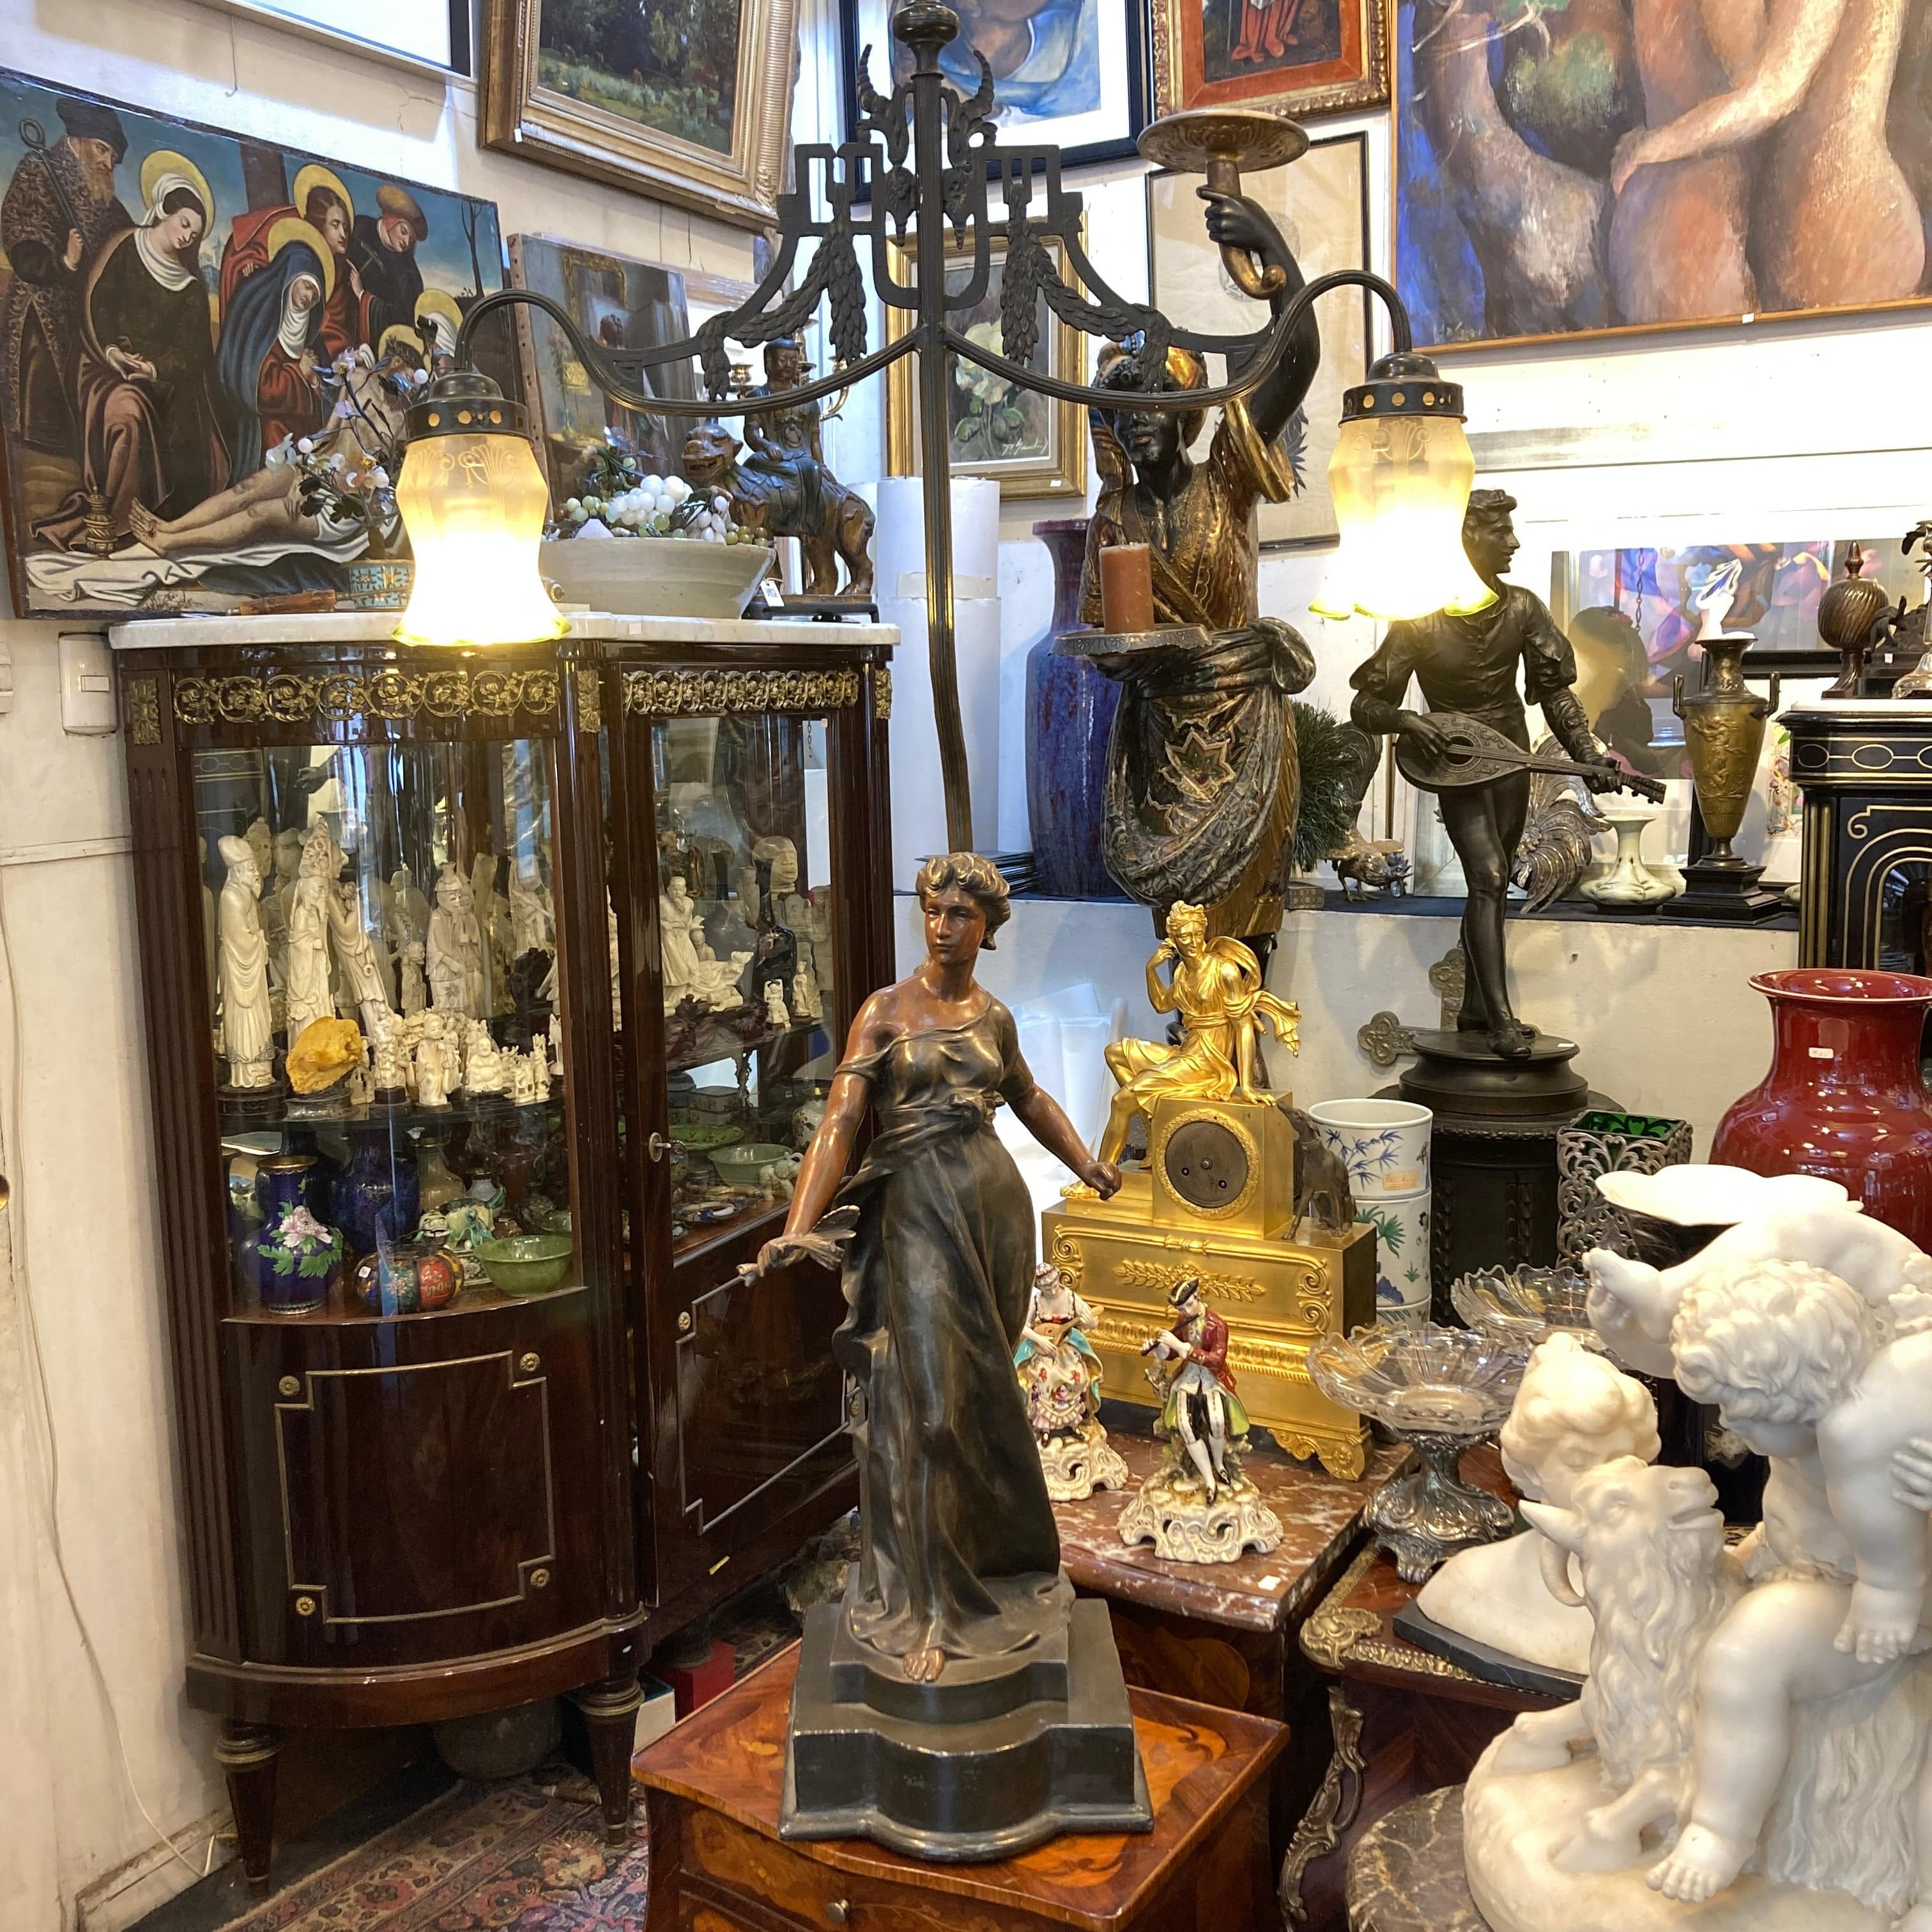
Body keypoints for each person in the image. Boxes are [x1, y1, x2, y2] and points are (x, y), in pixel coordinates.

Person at [740, 852, 1120, 1686]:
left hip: (994, 1212)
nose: (943, 928)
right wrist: (798, 1227)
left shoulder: (995, 1018)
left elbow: (1030, 1099)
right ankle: (936, 1604)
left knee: (982, 1402)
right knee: (933, 1409)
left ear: (989, 928)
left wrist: (1087, 1163)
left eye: (961, 916)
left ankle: (996, 1563)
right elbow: (840, 1124)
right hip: (914, 1217)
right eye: (934, 911)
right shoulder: (884, 1012)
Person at [1076, 187, 1320, 953]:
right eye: (1124, 407)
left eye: (1157, 401)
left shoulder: (1228, 479)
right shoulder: (1114, 517)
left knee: (1247, 945)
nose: (1140, 420)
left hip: (1245, 731)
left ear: (1188, 411)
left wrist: (1271, 249)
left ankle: (1241, 1033)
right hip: (1163, 751)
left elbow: (1299, 357)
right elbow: (1099, 631)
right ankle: (1194, 1033)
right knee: (1181, 943)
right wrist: (1128, 658)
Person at [1349, 489, 1621, 1058]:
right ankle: (1500, 1020)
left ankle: (1475, 1006)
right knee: (1490, 876)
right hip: (1456, 764)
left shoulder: (1522, 608)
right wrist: (1408, 721)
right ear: (1465, 537)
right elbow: (1366, 704)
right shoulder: (1420, 619)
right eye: (1500, 531)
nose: (1513, 542)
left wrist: (1587, 753)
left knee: (1493, 884)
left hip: (1511, 757)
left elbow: (1555, 692)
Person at [36, 154, 227, 553]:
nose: (188, 236)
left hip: (162, 385)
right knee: (128, 413)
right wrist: (112, 353)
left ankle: (139, 521)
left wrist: (153, 369)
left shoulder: (192, 289)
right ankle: (116, 524)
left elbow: (189, 353)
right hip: (104, 367)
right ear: (164, 211)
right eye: (184, 223)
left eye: (195, 233)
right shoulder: (126, 246)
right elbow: (100, 305)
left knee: (158, 423)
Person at [1097, 900, 1300, 1165]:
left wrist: (1248, 1086)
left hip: (1207, 1063)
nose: (1193, 942)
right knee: (1115, 1053)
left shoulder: (1224, 970)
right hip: (1188, 1052)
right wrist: (1151, 969)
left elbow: (1244, 1028)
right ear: (1173, 940)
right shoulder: (1182, 972)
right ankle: (1152, 1124)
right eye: (1185, 937)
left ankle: (1099, 1177)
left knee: (1121, 1101)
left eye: (1197, 935)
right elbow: (1162, 1004)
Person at [1, 95, 132, 454]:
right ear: (78, 139)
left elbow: (125, 241)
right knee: (45, 423)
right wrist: (64, 261)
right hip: (42, 308)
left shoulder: (105, 197)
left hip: (84, 314)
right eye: (102, 149)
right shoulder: (38, 170)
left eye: (113, 158)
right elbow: (21, 239)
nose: (107, 162)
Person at [215, 218, 331, 475]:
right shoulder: (262, 319)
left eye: (315, 294)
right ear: (291, 278)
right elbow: (261, 389)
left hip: (301, 434)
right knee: (276, 435)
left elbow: (324, 398)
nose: (309, 297)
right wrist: (300, 372)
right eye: (307, 286)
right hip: (262, 428)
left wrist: (314, 382)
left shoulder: (312, 337)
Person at [1140, 1278, 1247, 1503]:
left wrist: (1183, 1348)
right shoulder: (1183, 1320)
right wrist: (1160, 1349)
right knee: (1186, 1425)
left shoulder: (1217, 1324)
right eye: (1181, 1309)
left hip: (1211, 1379)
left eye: (1189, 1305)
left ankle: (1219, 1464)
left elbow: (1216, 1360)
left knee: (1217, 1421)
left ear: (1198, 1297)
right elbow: (1172, 1354)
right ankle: (1209, 1480)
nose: (1186, 1312)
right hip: (1188, 1379)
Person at [349, 183, 427, 346]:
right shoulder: (359, 228)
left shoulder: (409, 274)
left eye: (411, 240)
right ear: (390, 220)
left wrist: (362, 296)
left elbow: (403, 319)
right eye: (404, 232)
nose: (406, 242)